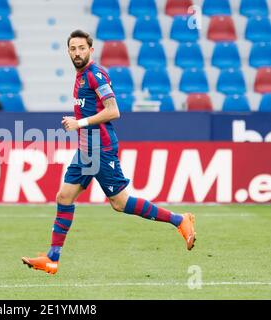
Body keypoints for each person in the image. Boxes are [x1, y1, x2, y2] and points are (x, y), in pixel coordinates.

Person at [22, 30, 196, 275]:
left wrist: (80, 123)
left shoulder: (95, 75)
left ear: (91, 50)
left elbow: (113, 111)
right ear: (68, 52)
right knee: (64, 197)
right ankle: (52, 259)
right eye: (73, 48)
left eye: (82, 48)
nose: (77, 52)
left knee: (120, 203)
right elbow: (92, 109)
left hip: (100, 148)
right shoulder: (80, 76)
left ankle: (179, 220)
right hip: (86, 148)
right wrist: (78, 121)